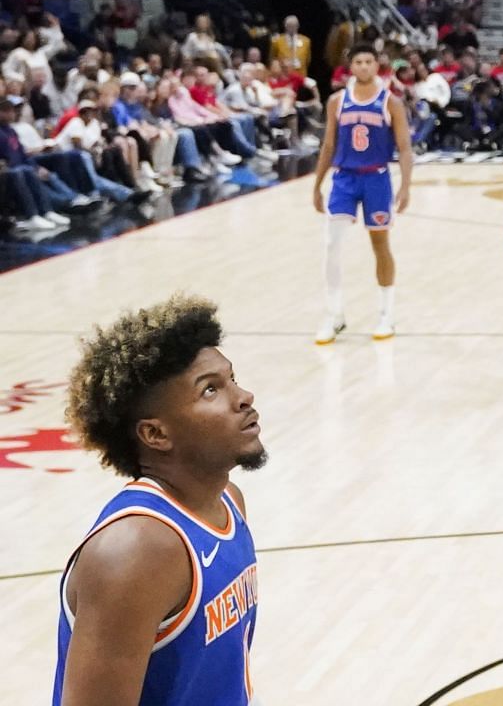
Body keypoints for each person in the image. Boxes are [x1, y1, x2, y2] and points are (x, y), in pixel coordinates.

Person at [54, 295, 265, 706]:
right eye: (210, 390)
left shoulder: (228, 503)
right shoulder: (137, 550)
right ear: (155, 435)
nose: (244, 397)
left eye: (232, 379)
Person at [311, 43, 413, 343]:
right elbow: (328, 146)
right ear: (350, 66)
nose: (365, 66)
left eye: (369, 61)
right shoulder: (337, 101)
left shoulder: (389, 101)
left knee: (380, 244)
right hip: (344, 178)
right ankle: (334, 314)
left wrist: (406, 185)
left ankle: (386, 314)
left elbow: (405, 148)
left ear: (376, 65)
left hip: (376, 178)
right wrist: (317, 185)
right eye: (359, 61)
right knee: (331, 245)